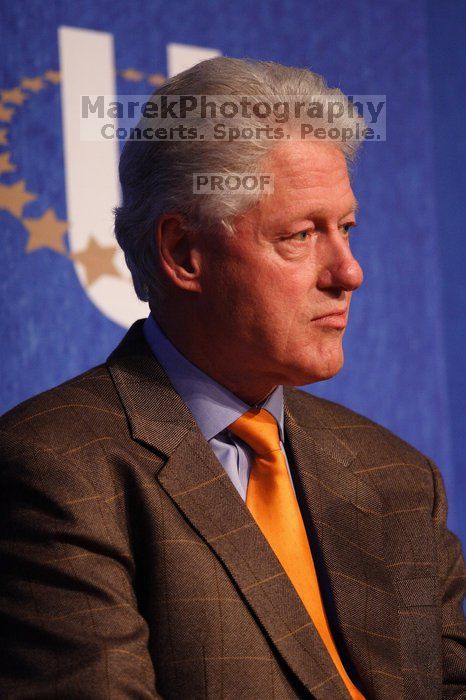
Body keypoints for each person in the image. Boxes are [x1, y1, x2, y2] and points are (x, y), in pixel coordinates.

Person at [0, 57, 464, 699]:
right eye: (301, 235)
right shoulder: (55, 467)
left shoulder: (401, 479)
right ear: (184, 254)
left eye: (346, 229)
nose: (349, 273)